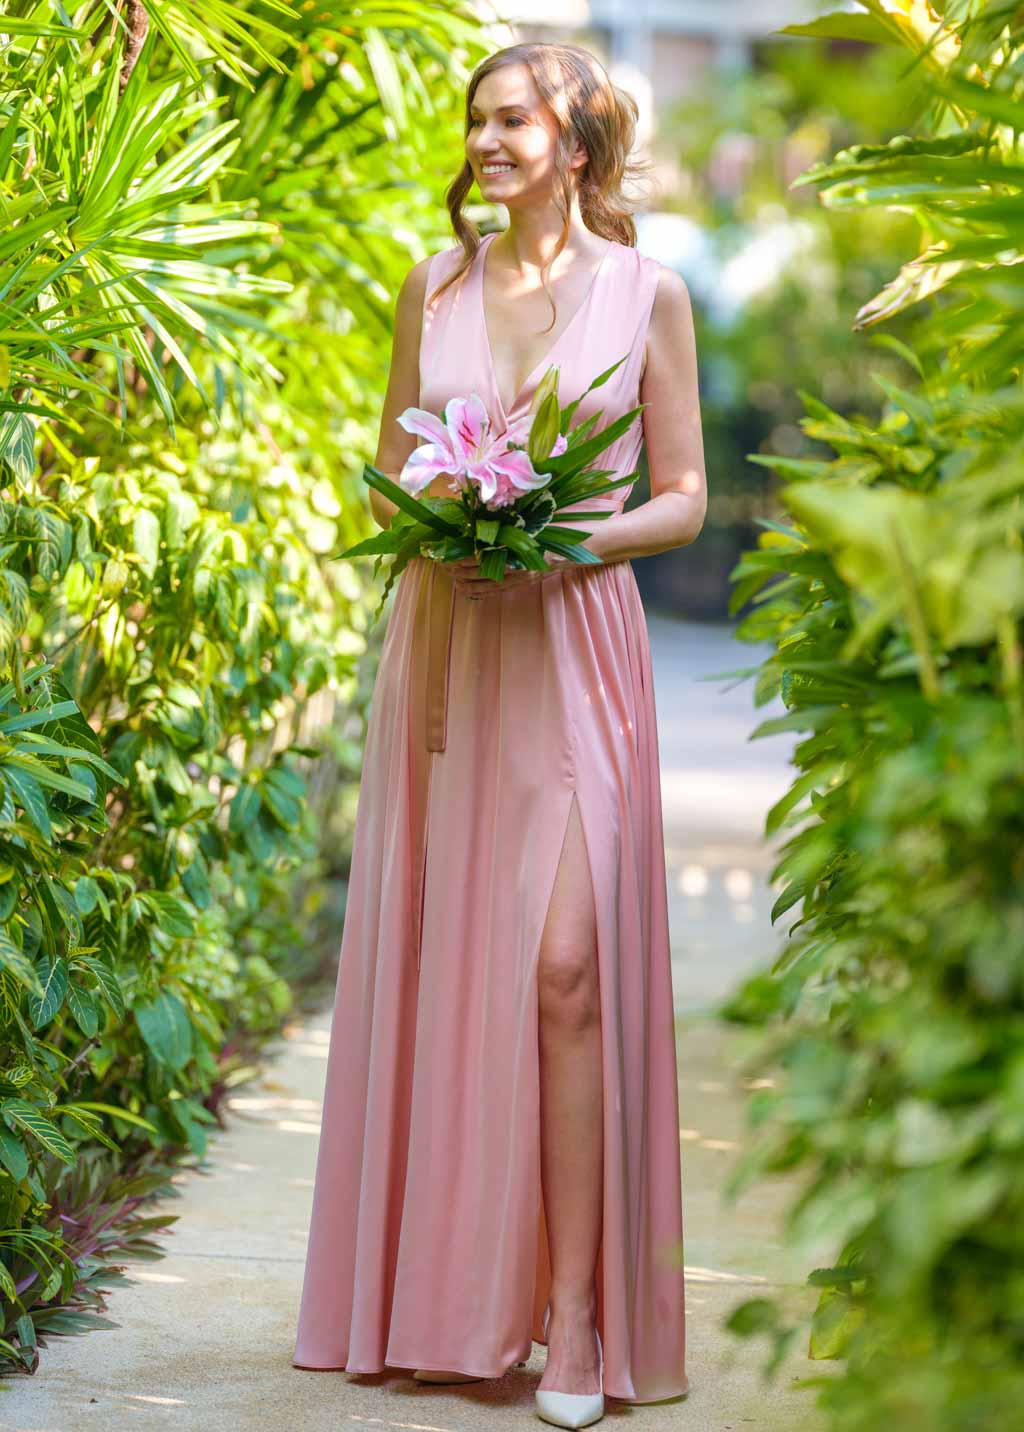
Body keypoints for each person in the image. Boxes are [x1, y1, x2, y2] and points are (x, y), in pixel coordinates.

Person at [292, 39, 706, 1431]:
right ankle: (449, 1308)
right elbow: (393, 457)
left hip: (577, 652)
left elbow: (687, 495)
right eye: (476, 119)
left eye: (511, 119)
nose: (485, 139)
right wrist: (449, 523)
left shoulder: (651, 295)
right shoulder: (437, 286)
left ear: (576, 143)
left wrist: (567, 539)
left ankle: (584, 1319)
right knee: (453, 960)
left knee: (572, 967)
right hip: (456, 648)